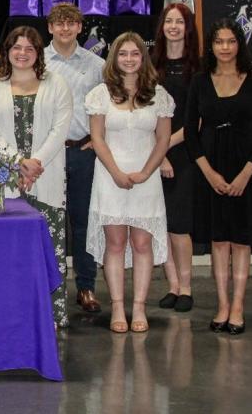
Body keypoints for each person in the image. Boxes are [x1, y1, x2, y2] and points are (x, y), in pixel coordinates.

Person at [0, 26, 73, 327]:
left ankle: (50, 316)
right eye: (16, 47)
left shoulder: (57, 84)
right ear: (6, 51)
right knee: (6, 252)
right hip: (4, 181)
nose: (22, 53)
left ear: (38, 53)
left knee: (49, 249)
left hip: (47, 177)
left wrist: (35, 163)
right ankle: (8, 314)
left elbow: (61, 129)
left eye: (30, 48)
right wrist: (19, 164)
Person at [185, 19, 252, 335]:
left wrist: (246, 174)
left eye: (231, 41)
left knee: (241, 241)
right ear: (210, 46)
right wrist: (208, 173)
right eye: (219, 41)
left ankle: (238, 307)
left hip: (246, 172)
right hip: (211, 173)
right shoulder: (199, 82)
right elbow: (191, 134)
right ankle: (222, 305)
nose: (225, 47)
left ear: (240, 45)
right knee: (219, 241)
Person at [85, 32, 173, 333]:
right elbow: (97, 139)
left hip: (145, 178)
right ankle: (118, 309)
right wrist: (116, 173)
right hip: (110, 177)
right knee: (116, 242)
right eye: (123, 54)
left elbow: (162, 140)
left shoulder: (158, 94)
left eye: (135, 54)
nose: (129, 59)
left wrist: (148, 172)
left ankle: (139, 309)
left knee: (142, 242)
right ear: (114, 58)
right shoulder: (100, 94)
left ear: (143, 58)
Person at [44, 2, 105, 314]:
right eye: (59, 23)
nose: (65, 28)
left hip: (82, 151)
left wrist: (98, 139)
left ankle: (86, 286)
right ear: (50, 27)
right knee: (48, 222)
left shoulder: (96, 64)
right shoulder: (37, 61)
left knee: (82, 221)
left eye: (71, 23)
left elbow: (108, 103)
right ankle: (48, 287)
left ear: (81, 27)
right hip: (47, 156)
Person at [151, 3, 201, 312]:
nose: (173, 26)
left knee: (180, 225)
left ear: (188, 27)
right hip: (153, 153)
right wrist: (158, 153)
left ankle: (186, 287)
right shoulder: (151, 63)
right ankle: (171, 286)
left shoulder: (198, 66)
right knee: (163, 223)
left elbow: (198, 117)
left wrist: (166, 147)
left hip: (184, 152)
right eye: (168, 20)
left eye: (179, 21)